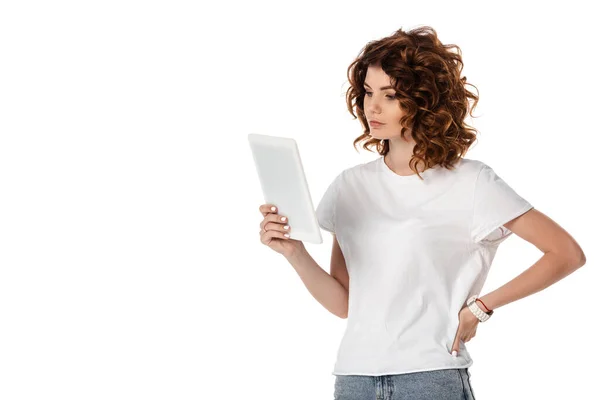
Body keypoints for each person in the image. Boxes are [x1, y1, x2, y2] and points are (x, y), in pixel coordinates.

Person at [257, 26, 586, 400]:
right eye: (367, 93)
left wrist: (480, 307)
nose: (372, 107)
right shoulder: (350, 186)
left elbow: (566, 253)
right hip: (354, 379)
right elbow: (344, 303)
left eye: (390, 95)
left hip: (429, 379)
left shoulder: (472, 182)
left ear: (425, 100)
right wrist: (294, 254)